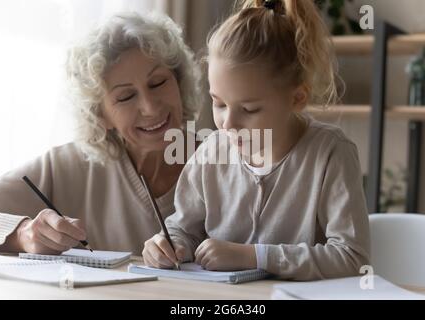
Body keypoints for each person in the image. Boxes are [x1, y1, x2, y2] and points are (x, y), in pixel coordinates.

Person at [142, 0, 370, 280]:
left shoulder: (331, 154)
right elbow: (184, 229)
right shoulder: (211, 152)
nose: (228, 123)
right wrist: (169, 244)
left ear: (297, 98)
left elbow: (352, 258)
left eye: (249, 109)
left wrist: (253, 256)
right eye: (219, 103)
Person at [0, 12, 202, 255]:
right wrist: (23, 234)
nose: (150, 107)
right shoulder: (68, 166)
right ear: (100, 115)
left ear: (179, 82)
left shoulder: (226, 164)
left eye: (158, 83)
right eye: (126, 96)